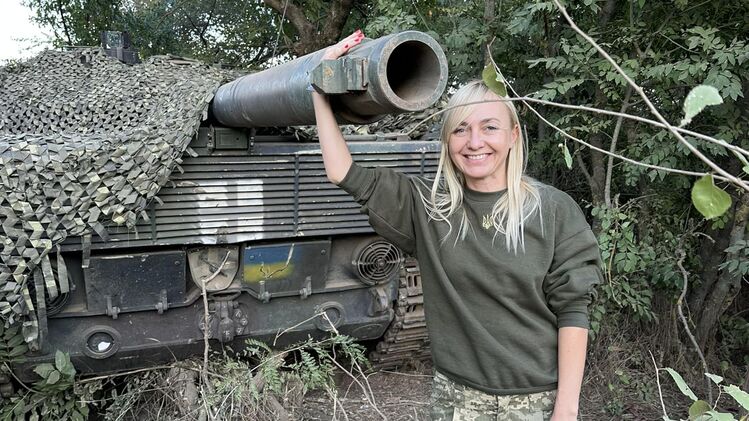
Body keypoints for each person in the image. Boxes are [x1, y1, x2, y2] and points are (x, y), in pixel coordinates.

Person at [312, 31, 602, 421]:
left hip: (536, 401)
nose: (474, 141)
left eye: (490, 127)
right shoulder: (429, 209)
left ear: (514, 136)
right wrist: (320, 86)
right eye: (460, 129)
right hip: (457, 402)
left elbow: (573, 310)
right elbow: (342, 171)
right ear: (447, 140)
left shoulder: (552, 210)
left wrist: (566, 409)